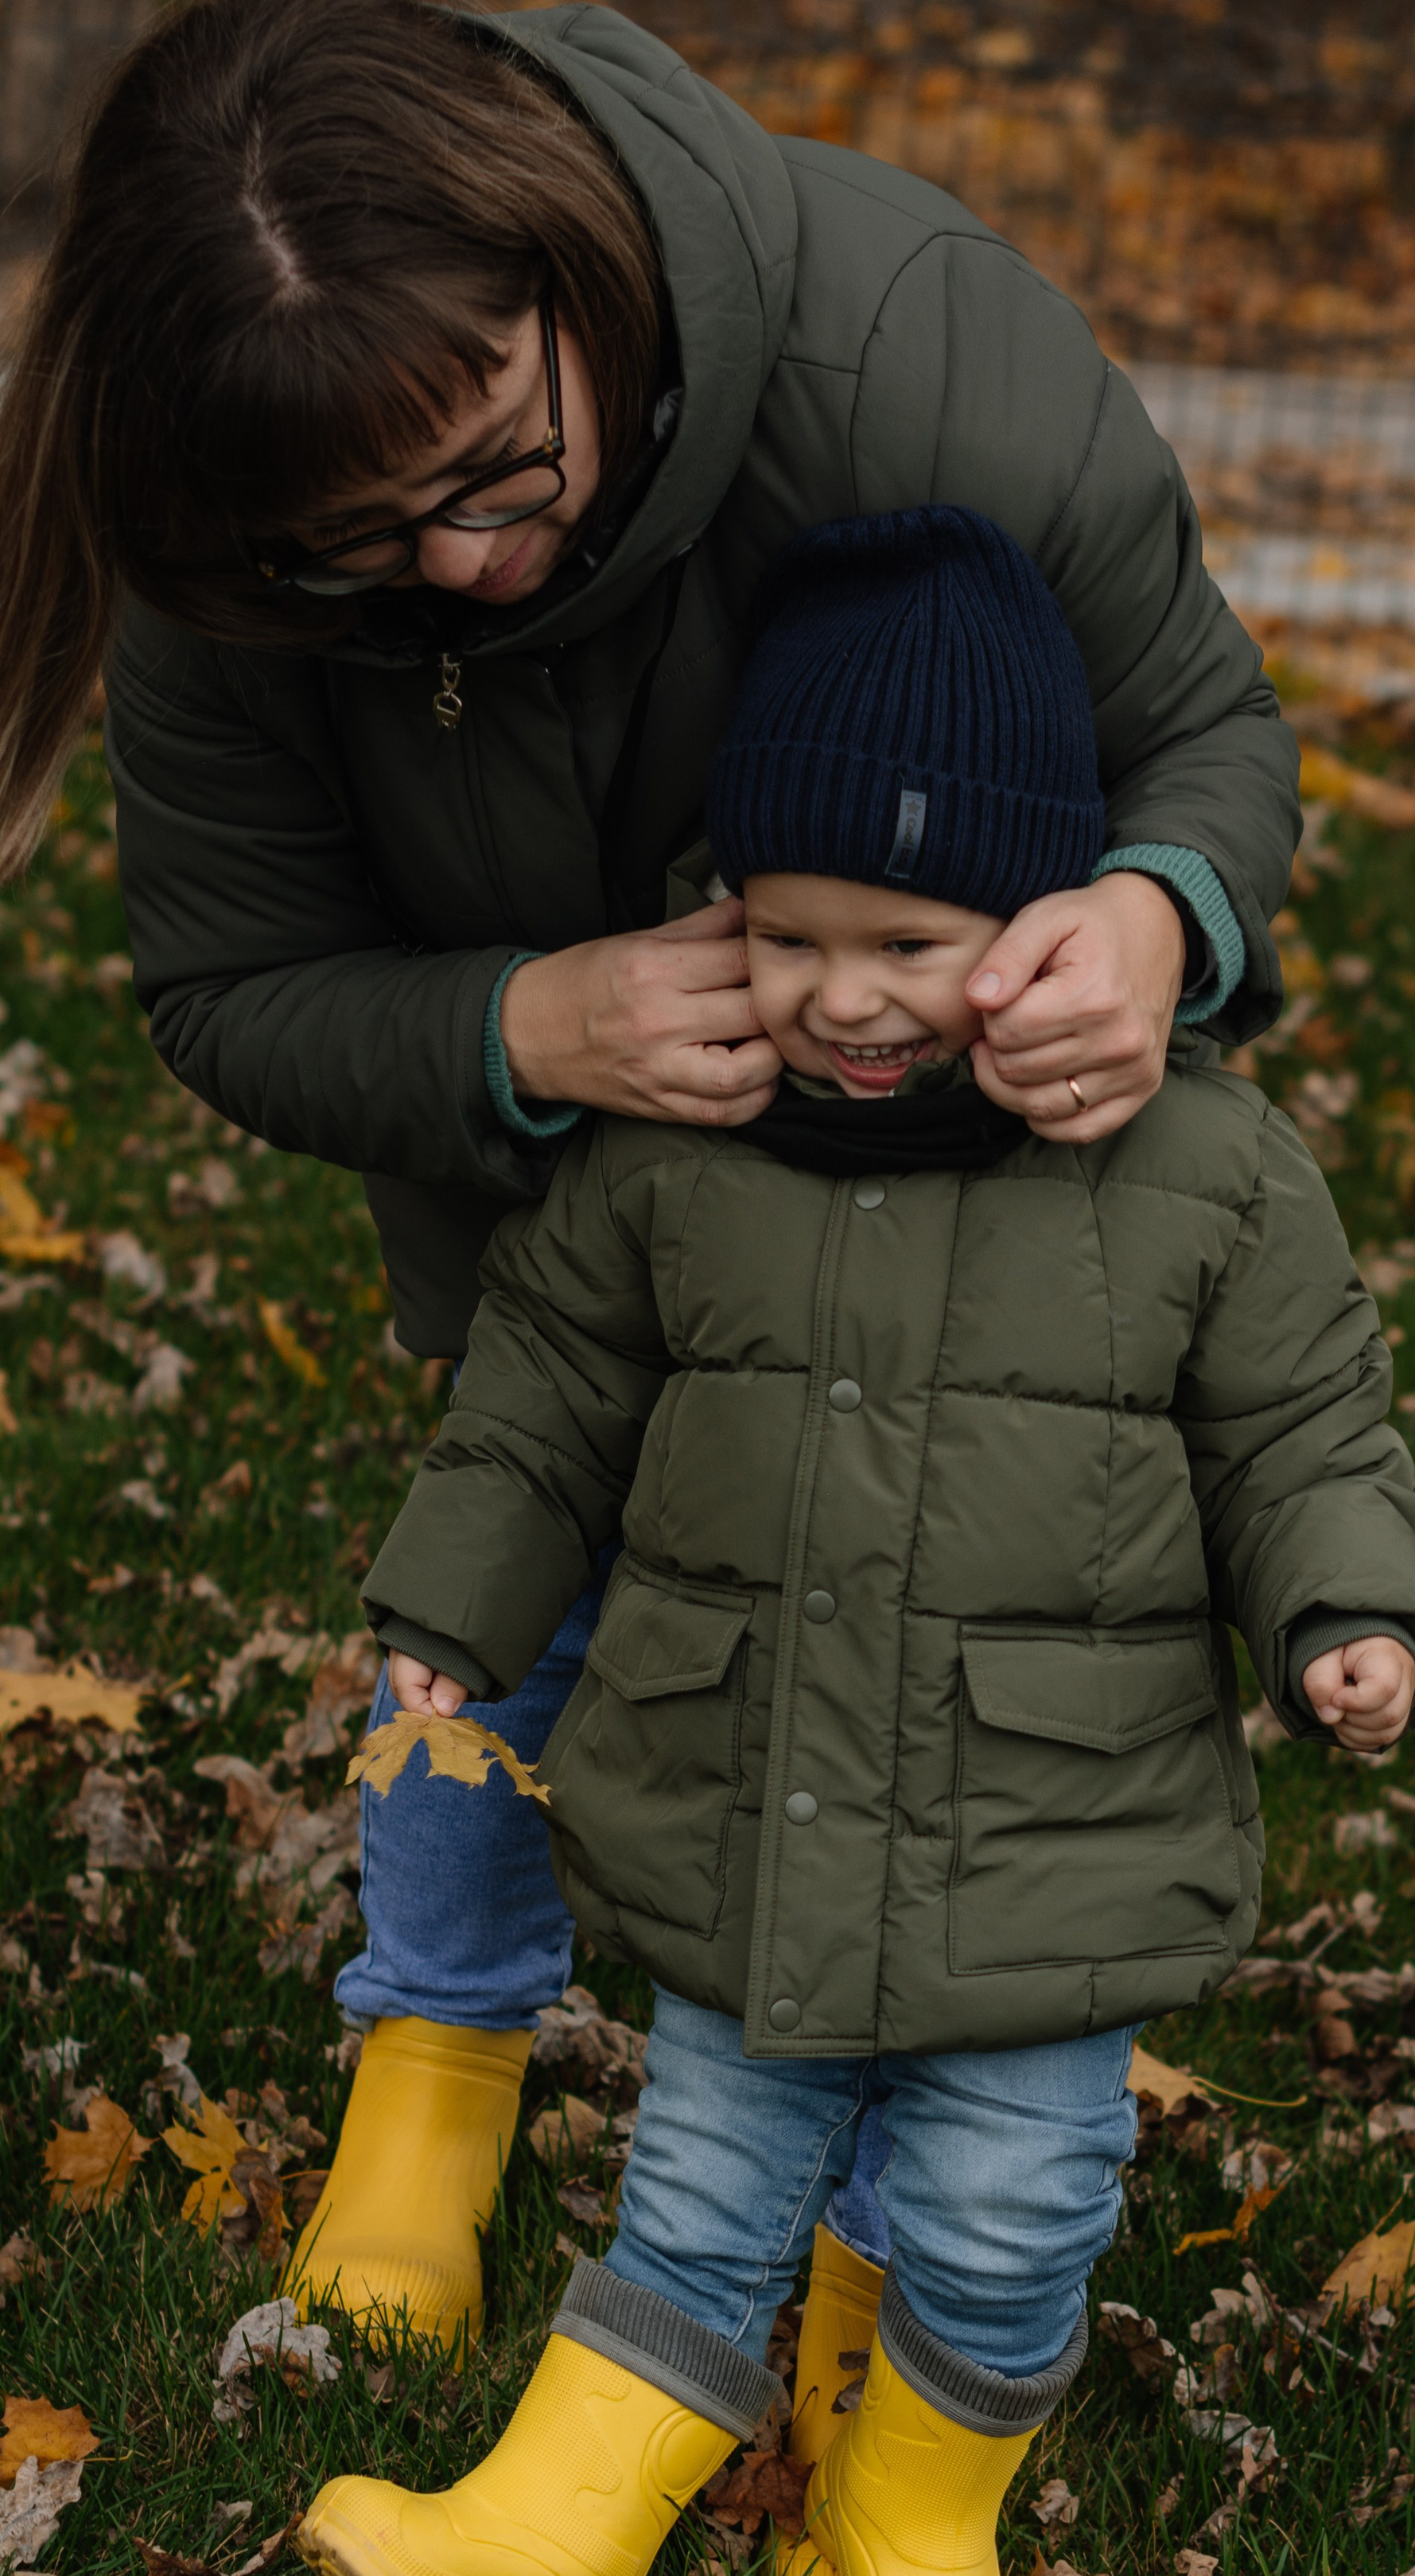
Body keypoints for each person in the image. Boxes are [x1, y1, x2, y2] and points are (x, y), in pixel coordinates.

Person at [0, 0, 1302, 2360]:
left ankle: (887, 2210)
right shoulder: (222, 529)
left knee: (920, 1671)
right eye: (363, 549)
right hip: (566, 1249)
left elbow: (1203, 732)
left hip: (968, 1248)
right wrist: (515, 1028)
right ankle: (439, 2059)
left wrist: (1157, 916)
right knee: (509, 1600)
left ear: (576, 277)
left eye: (503, 467)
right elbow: (228, 979)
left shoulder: (915, 347)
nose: (471, 573)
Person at [294, 506, 1415, 2576]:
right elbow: (541, 1403)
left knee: (1014, 2215)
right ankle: (556, 2536)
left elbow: (1306, 1428)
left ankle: (908, 2539)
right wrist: (453, 1602)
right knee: (707, 2179)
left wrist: (1343, 1618)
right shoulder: (673, 1154)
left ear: (1043, 930)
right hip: (758, 1792)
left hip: (1052, 1824)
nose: (840, 996)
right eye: (789, 930)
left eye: (908, 943)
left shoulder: (1202, 1171)